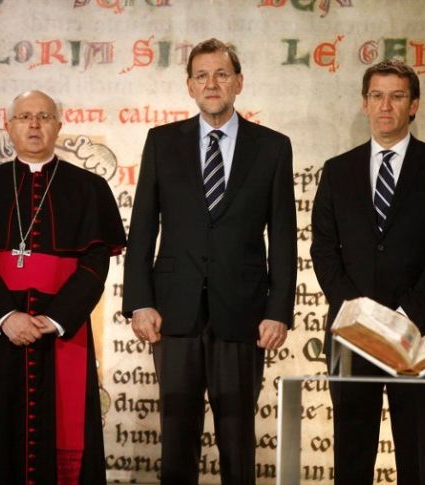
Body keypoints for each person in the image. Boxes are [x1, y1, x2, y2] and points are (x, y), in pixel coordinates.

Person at [122, 38, 297, 485]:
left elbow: (281, 236)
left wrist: (278, 311)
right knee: (176, 440)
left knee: (237, 441)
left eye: (221, 74)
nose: (211, 83)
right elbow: (142, 228)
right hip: (173, 312)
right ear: (189, 86)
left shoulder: (273, 147)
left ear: (238, 82)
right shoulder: (162, 143)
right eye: (202, 75)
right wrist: (139, 300)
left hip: (242, 313)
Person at [0, 90, 126, 485]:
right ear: (8, 126)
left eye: (44, 117)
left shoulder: (89, 188)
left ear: (58, 127)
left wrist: (57, 318)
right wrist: (4, 316)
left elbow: (95, 264)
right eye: (25, 117)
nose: (34, 125)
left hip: (62, 333)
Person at [310, 59, 425, 484]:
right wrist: (360, 315)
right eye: (377, 96)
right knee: (352, 457)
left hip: (420, 335)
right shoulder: (337, 171)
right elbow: (324, 252)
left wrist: (402, 318)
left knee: (416, 458)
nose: (386, 106)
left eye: (397, 96)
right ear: (365, 104)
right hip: (352, 336)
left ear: (413, 105)